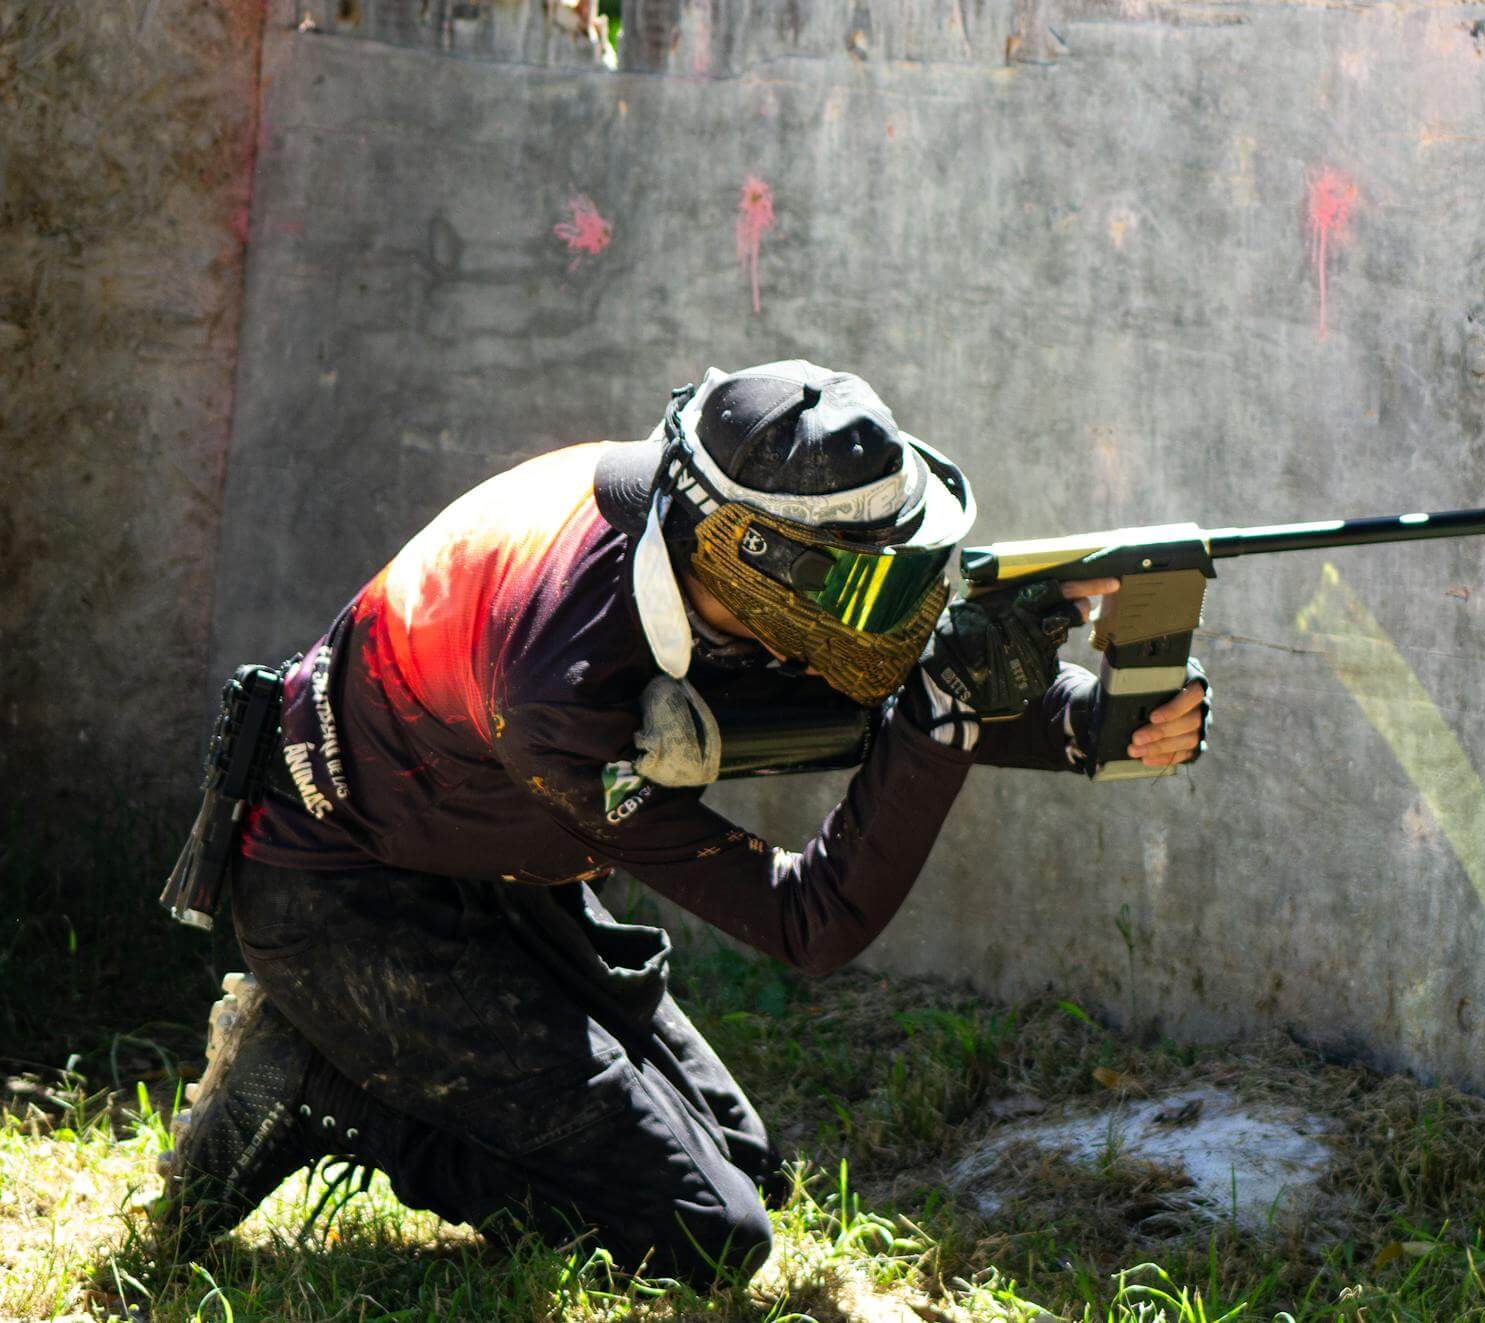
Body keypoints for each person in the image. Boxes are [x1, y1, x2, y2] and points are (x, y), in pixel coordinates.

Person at [154, 361, 1211, 1284]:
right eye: (874, 582)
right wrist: (948, 711)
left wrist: (1081, 721)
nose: (901, 604)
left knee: (748, 1171)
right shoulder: (562, 691)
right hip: (344, 892)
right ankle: (323, 1080)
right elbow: (811, 923)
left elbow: (865, 677)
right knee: (705, 1236)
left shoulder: (692, 533)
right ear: (764, 565)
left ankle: (352, 1064)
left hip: (483, 844)